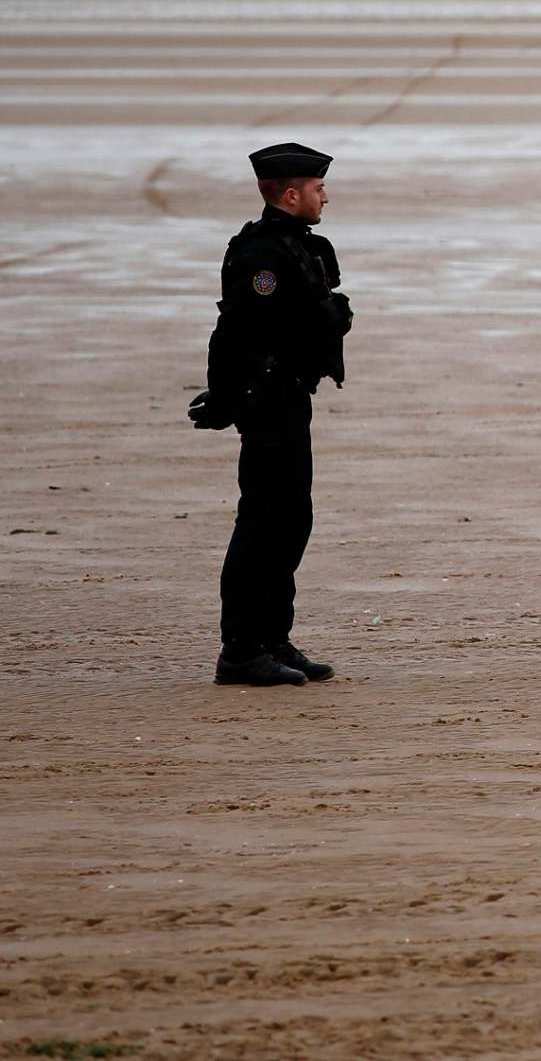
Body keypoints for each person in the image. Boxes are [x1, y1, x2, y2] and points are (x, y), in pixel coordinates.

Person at [188, 143, 354, 687]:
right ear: (290, 194)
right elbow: (238, 330)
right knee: (262, 524)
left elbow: (305, 317)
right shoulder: (261, 254)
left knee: (290, 521)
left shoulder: (301, 246)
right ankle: (240, 650)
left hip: (289, 398)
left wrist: (334, 317)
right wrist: (224, 397)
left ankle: (272, 638)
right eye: (316, 188)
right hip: (266, 400)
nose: (324, 195)